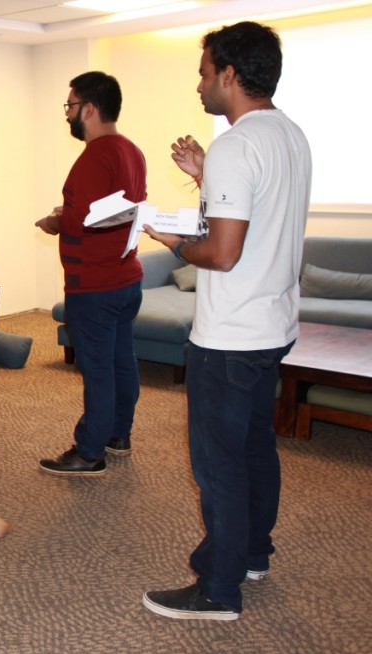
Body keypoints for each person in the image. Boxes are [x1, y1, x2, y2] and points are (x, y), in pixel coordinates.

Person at [142, 22, 312, 621]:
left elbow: (222, 253)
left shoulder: (238, 146)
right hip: (272, 326)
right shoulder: (288, 135)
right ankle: (252, 553)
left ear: (231, 76)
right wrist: (204, 174)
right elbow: (256, 211)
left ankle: (218, 588)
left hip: (231, 334)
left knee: (217, 462)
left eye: (205, 71)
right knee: (255, 447)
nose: (200, 83)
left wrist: (171, 240)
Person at [34, 71, 146, 477]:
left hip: (93, 286)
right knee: (121, 362)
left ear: (90, 109)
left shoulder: (93, 158)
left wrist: (54, 221)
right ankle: (119, 435)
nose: (68, 114)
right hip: (126, 278)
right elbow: (112, 212)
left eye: (71, 105)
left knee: (98, 370)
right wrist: (73, 215)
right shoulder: (132, 151)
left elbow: (81, 222)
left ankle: (89, 452)